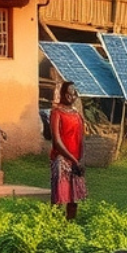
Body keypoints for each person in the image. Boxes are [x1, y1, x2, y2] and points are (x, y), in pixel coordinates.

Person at [49, 82, 87, 223]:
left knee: (74, 197)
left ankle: (70, 225)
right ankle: (54, 225)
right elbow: (57, 142)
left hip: (76, 160)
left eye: (73, 94)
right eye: (67, 94)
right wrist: (74, 160)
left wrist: (81, 160)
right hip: (61, 160)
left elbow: (81, 138)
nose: (70, 97)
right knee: (59, 196)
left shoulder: (77, 115)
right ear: (62, 94)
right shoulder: (56, 113)